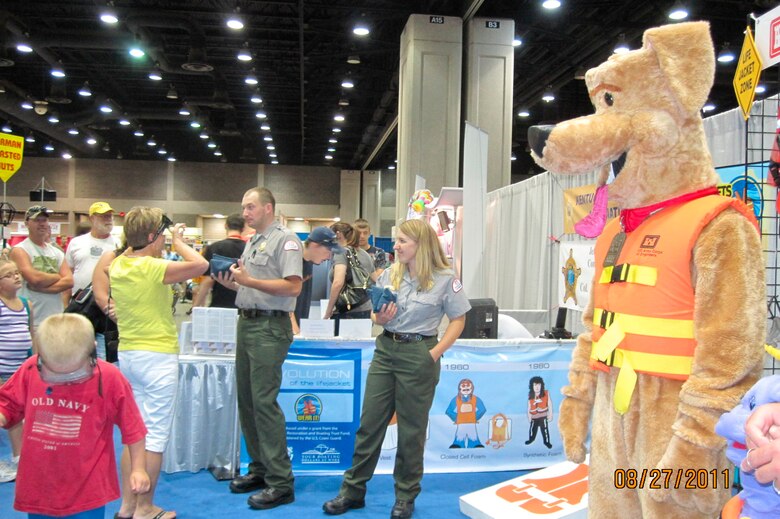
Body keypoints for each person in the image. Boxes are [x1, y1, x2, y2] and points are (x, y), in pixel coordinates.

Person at [322, 218, 471, 519]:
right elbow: (377, 316)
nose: (397, 246)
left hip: (419, 353)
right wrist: (381, 319)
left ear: (421, 244)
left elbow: (459, 319)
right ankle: (353, 491)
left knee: (412, 431)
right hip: (386, 350)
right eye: (397, 240)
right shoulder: (390, 273)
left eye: (403, 240)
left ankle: (405, 496)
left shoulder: (445, 278)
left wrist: (433, 354)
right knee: (370, 424)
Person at [93, 207, 207, 519]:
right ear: (153, 236)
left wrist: (161, 238)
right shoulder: (153, 267)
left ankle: (127, 506)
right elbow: (201, 264)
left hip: (129, 356)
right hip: (157, 357)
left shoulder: (117, 265)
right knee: (153, 437)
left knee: (133, 434)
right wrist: (178, 241)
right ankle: (144, 507)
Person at [0, 313, 150, 518]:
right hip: (39, 485)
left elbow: (133, 427)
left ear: (91, 356)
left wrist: (139, 468)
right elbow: (7, 403)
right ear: (41, 357)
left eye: (73, 374)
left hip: (87, 487)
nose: (63, 381)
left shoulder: (110, 378)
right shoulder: (30, 369)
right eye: (54, 374)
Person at [214, 187, 302, 510]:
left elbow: (293, 285)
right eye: (243, 207)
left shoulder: (286, 240)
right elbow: (250, 283)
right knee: (248, 401)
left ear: (268, 207)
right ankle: (260, 469)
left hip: (269, 327)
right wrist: (234, 283)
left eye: (250, 207)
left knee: (264, 402)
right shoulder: (253, 241)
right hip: (247, 322)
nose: (245, 213)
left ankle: (281, 482)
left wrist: (249, 282)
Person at [64, 202, 120, 360]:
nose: (108, 219)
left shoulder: (118, 244)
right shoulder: (76, 243)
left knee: (103, 351)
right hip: (81, 305)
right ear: (92, 218)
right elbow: (68, 271)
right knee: (77, 349)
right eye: (103, 216)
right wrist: (65, 304)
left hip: (106, 306)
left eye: (110, 216)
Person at [10, 206, 73, 328]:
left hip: (55, 318)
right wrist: (57, 276)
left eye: (44, 220)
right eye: (37, 220)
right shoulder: (20, 250)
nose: (42, 224)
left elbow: (69, 281)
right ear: (27, 223)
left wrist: (43, 289)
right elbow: (34, 279)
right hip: (31, 319)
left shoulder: (57, 252)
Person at [0, 257, 33, 483]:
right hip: (1, 371)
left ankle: (20, 457)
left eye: (17, 273)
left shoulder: (26, 304)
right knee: (4, 417)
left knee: (17, 417)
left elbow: (30, 336)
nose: (17, 277)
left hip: (19, 372)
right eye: (9, 275)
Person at [323, 222, 376, 334]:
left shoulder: (341, 252)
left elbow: (338, 283)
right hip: (366, 309)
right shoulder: (365, 254)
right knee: (359, 349)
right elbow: (375, 280)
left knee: (341, 349)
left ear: (338, 235)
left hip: (346, 311)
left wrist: (328, 311)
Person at [290, 226, 343, 335]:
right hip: (286, 328)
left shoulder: (309, 263)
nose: (329, 257)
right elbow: (284, 298)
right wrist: (294, 327)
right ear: (315, 245)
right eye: (328, 250)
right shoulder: (293, 264)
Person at [191, 213, 246, 309]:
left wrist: (196, 306)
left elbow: (208, 280)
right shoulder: (249, 248)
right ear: (243, 228)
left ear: (226, 226)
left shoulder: (214, 248)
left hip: (219, 305)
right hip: (244, 308)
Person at [525, 376, 553, 449]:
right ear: (532, 386)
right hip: (534, 416)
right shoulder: (530, 395)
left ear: (541, 385)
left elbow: (549, 403)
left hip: (543, 415)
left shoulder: (546, 393)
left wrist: (550, 414)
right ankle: (531, 439)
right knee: (532, 429)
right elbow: (529, 407)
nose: (537, 387)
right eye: (535, 385)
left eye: (538, 385)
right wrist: (529, 416)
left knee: (545, 429)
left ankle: (546, 442)